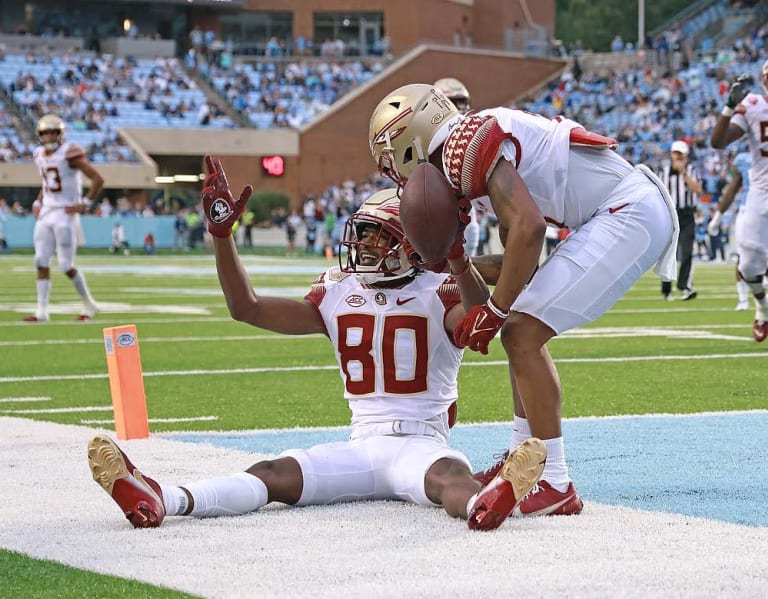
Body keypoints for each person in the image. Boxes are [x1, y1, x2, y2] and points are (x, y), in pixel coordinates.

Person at [87, 156, 547, 532]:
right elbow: (246, 307)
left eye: (378, 235)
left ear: (412, 244)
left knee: (451, 481)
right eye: (362, 233)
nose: (364, 244)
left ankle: (487, 503)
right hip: (360, 443)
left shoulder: (440, 289)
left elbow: (478, 320)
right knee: (272, 475)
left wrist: (455, 256)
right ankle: (163, 498)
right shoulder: (336, 291)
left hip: (422, 444)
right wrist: (222, 237)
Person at [368, 83, 679, 516]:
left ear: (411, 140)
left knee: (519, 331)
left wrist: (494, 311)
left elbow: (530, 229)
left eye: (390, 156)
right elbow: (520, 258)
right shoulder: (478, 153)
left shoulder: (463, 146)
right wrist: (458, 261)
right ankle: (524, 458)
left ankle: (555, 481)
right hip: (622, 210)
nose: (394, 172)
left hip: (627, 211)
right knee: (519, 324)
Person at [25, 113, 103, 322]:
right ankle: (42, 311)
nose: (50, 136)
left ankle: (89, 304)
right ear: (40, 135)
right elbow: (47, 183)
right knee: (40, 260)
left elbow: (97, 178)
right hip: (47, 211)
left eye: (53, 132)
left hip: (65, 213)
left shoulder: (70, 153)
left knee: (65, 265)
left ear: (60, 134)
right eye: (46, 133)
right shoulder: (38, 154)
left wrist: (85, 203)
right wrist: (38, 201)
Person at [710, 62, 768, 341]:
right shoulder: (754, 106)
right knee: (747, 266)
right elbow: (718, 141)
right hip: (761, 192)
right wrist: (729, 107)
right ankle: (762, 308)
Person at [434, 78, 480, 257]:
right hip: (439, 212)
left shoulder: (470, 134)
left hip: (466, 210)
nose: (460, 109)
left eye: (462, 103)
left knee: (468, 260)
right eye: (453, 103)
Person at [658, 140, 703, 301]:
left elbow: (697, 189)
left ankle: (685, 287)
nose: (677, 157)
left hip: (687, 214)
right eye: (675, 153)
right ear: (671, 154)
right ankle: (666, 290)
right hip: (670, 214)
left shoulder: (691, 170)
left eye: (680, 154)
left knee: (688, 252)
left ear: (685, 156)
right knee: (668, 253)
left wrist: (684, 173)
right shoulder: (663, 172)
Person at [709, 151, 753, 311]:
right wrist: (718, 216)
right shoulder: (744, 159)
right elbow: (733, 188)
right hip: (749, 210)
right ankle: (743, 299)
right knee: (743, 257)